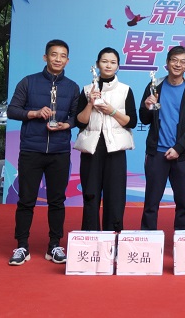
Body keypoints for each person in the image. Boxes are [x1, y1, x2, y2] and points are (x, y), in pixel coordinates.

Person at [6, 39, 80, 265]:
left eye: (63, 56)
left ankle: (54, 246)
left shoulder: (73, 87)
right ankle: (22, 246)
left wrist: (67, 124)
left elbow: (77, 117)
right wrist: (35, 113)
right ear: (45, 57)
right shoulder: (28, 82)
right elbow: (12, 110)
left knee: (57, 201)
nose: (58, 59)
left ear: (68, 60)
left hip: (59, 152)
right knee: (26, 200)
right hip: (32, 150)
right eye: (54, 54)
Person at [139, 46, 185, 231]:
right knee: (151, 203)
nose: (178, 64)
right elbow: (144, 118)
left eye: (182, 62)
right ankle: (148, 240)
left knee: (183, 204)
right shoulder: (154, 85)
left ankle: (180, 242)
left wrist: (178, 148)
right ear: (167, 63)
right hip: (156, 153)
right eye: (174, 60)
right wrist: (147, 107)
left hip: (183, 155)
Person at [74, 47, 137, 232]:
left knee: (115, 197)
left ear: (118, 66)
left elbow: (132, 122)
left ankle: (113, 237)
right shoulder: (87, 89)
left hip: (115, 150)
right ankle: (91, 236)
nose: (108, 65)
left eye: (113, 62)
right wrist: (90, 103)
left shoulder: (125, 90)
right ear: (97, 64)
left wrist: (112, 111)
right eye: (104, 61)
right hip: (91, 150)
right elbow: (80, 122)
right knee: (90, 195)